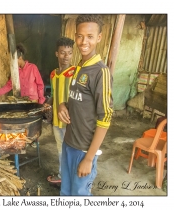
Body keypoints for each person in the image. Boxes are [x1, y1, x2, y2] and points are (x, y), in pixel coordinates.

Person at [57, 14, 114, 195]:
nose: (84, 41)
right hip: (69, 143)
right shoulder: (79, 67)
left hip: (84, 149)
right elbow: (78, 100)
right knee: (66, 192)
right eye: (80, 36)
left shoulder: (101, 72)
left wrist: (89, 158)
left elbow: (105, 117)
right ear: (75, 36)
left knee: (79, 195)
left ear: (99, 38)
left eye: (90, 37)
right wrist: (62, 105)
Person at [46, 37, 76, 184]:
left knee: (72, 150)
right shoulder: (53, 74)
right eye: (63, 52)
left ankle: (73, 178)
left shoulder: (75, 73)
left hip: (71, 120)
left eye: (69, 53)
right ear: (56, 54)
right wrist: (47, 104)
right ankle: (62, 175)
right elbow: (53, 95)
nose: (66, 56)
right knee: (60, 149)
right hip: (57, 121)